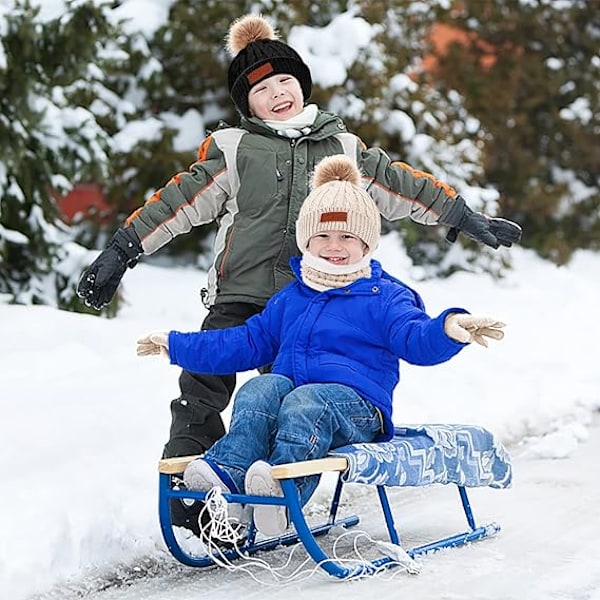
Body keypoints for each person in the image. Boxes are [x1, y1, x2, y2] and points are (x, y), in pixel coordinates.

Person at [78, 14, 520, 533]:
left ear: (303, 85)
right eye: (263, 89)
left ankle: (269, 496)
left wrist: (461, 215)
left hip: (307, 301)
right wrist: (123, 249)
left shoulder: (345, 149)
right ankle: (193, 498)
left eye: (286, 80)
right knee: (202, 388)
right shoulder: (235, 150)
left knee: (280, 401)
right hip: (239, 293)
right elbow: (177, 203)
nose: (279, 92)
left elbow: (404, 187)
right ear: (248, 103)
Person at [137, 155, 506, 541]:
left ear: (366, 243)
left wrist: (449, 328)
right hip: (300, 403)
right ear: (306, 240)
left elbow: (415, 337)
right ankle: (230, 476)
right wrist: (177, 346)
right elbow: (244, 341)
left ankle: (284, 492)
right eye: (324, 237)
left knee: (306, 401)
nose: (335, 247)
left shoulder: (384, 296)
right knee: (260, 388)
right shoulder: (291, 297)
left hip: (358, 409)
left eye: (347, 237)